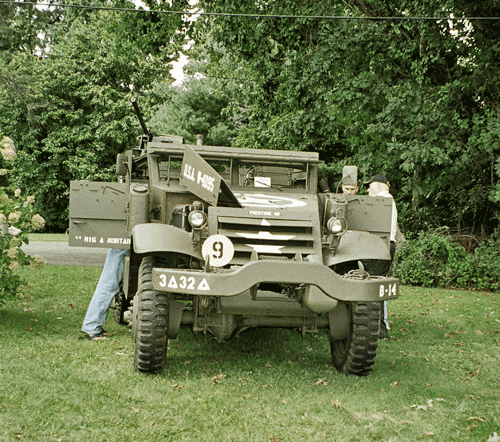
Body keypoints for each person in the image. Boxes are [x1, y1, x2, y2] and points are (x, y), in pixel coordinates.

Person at [364, 174, 397, 339]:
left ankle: (380, 328)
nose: (368, 189)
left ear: (378, 185)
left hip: (381, 246)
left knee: (375, 285)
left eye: (370, 185)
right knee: (378, 283)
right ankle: (381, 326)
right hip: (385, 246)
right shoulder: (387, 201)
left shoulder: (382, 201)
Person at [80, 248, 129, 340]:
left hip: (121, 245)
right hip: (122, 246)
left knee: (108, 283)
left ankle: (93, 326)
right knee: (109, 284)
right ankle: (91, 327)